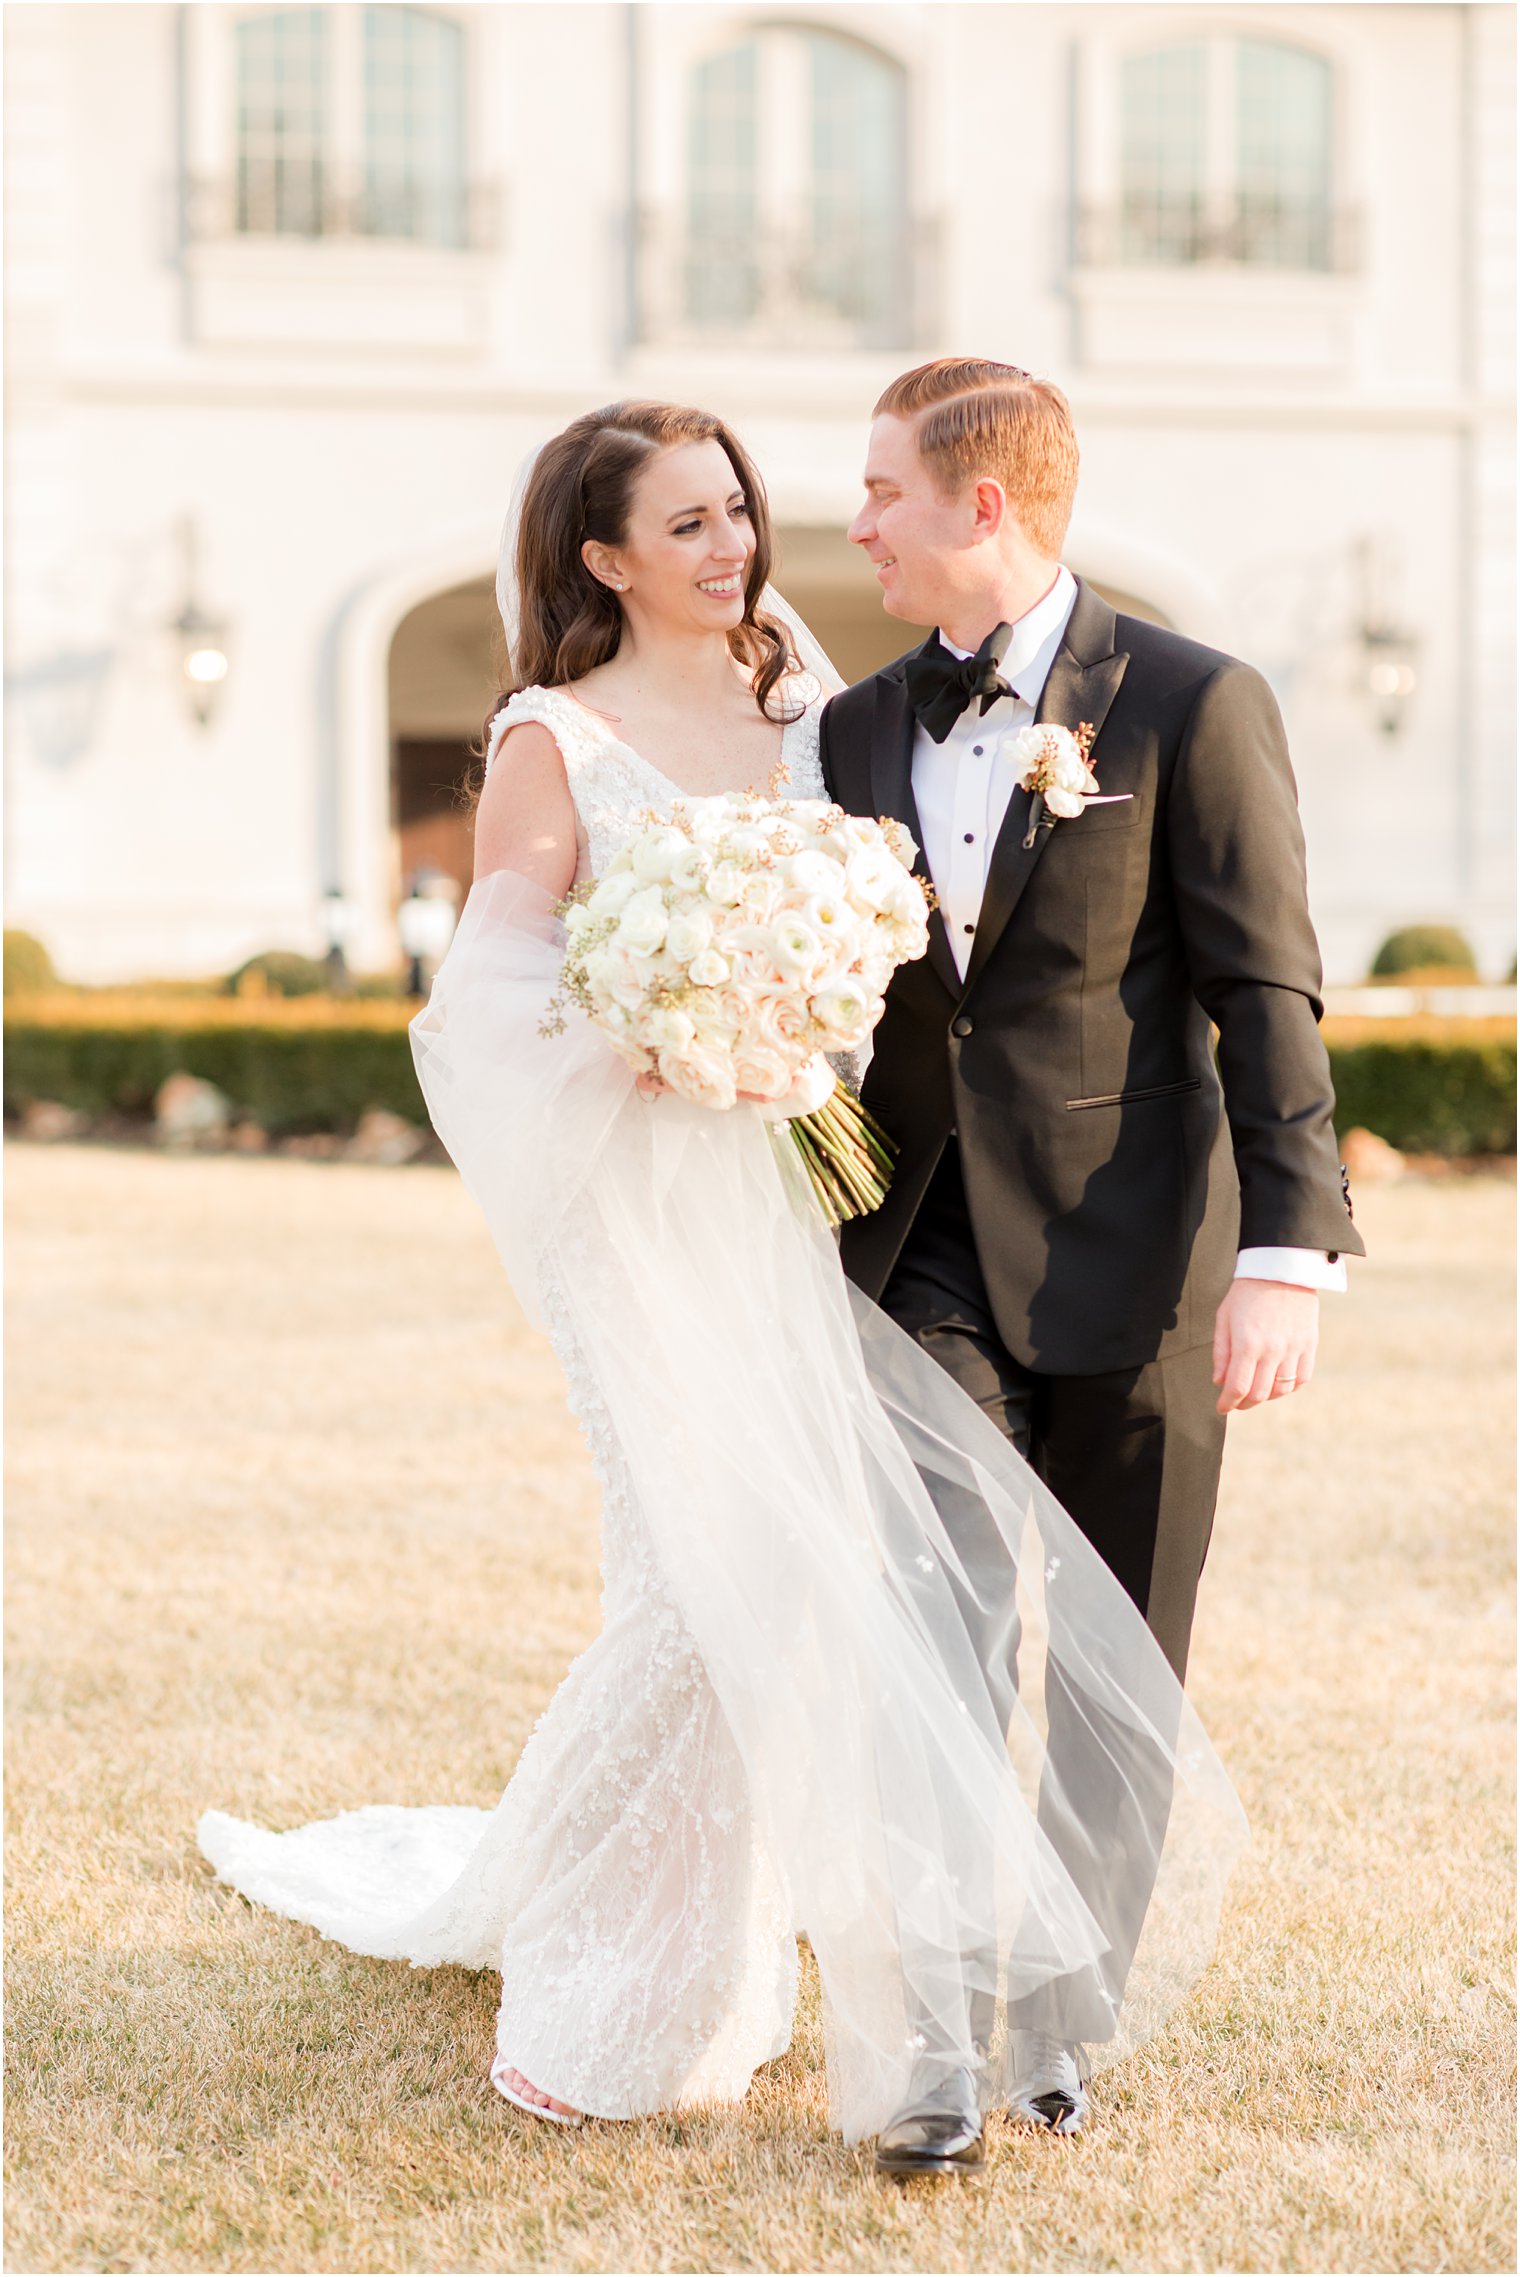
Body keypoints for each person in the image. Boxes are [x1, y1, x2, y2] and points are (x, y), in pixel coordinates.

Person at [198, 400, 1245, 2175]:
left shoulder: (799, 700)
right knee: (701, 1581)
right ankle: (608, 1987)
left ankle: (728, 1964)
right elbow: (490, 1004)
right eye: (685, 524)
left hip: (804, 1195)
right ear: (603, 556)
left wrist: (795, 1020)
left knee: (801, 1577)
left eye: (735, 512)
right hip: (640, 1198)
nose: (731, 545)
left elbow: (896, 934)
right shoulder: (553, 736)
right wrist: (659, 1035)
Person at [820, 358, 1363, 2148]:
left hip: (1149, 1259)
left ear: (985, 504)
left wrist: (1293, 1247)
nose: (858, 521)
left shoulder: (1197, 704)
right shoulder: (856, 729)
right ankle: (940, 2045)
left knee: (1128, 1656)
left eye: (884, 488)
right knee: (945, 1636)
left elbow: (1262, 986)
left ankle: (1062, 2016)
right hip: (927, 1258)